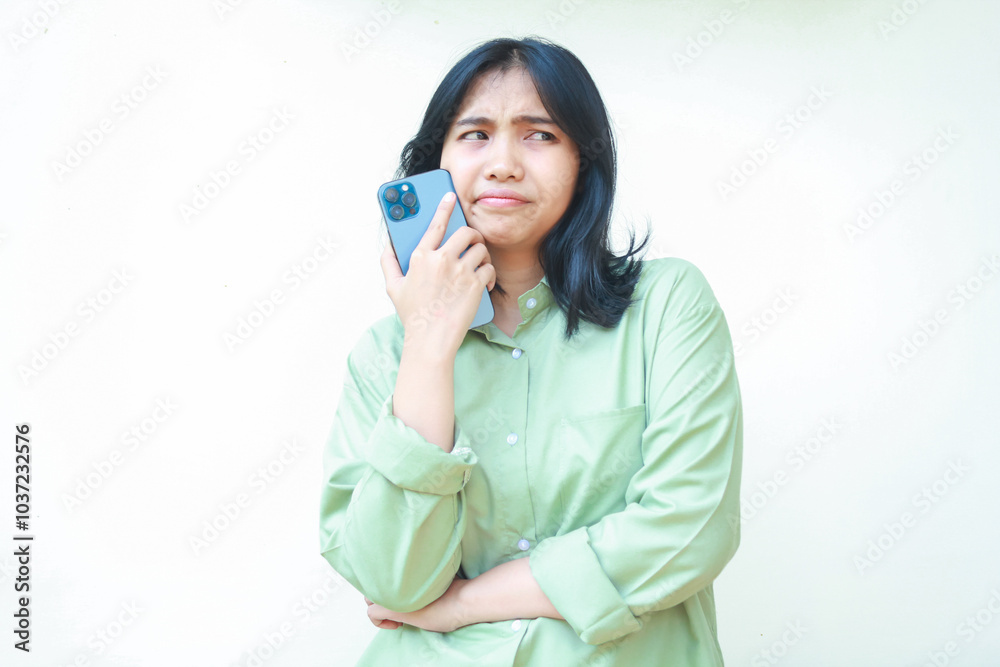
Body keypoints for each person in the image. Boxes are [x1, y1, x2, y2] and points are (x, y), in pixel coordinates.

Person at [319, 36, 743, 666]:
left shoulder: (667, 306)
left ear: (583, 162)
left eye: (539, 134)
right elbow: (391, 582)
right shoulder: (384, 355)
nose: (503, 164)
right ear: (435, 163)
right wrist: (429, 345)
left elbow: (688, 531)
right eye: (475, 134)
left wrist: (464, 604)